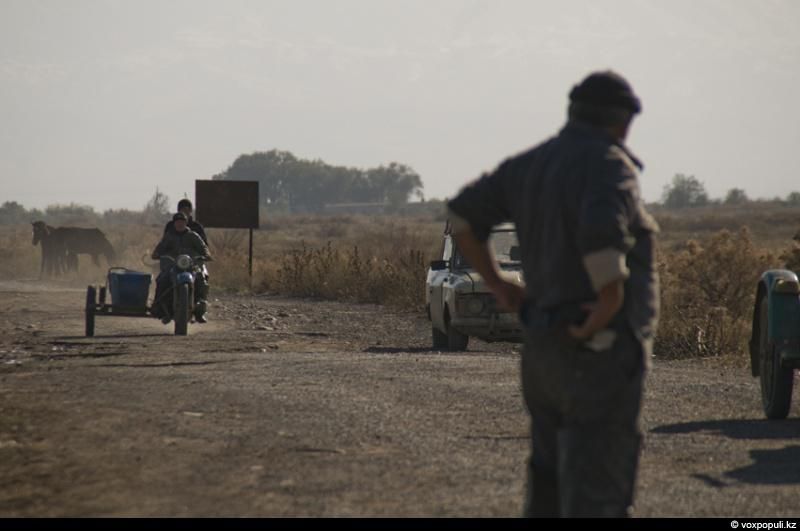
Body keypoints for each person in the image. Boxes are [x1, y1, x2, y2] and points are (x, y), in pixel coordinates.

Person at [446, 71, 659, 518]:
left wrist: (500, 284)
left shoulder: (533, 163)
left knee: (548, 484)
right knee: (598, 494)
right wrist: (607, 304)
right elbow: (601, 236)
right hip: (596, 351)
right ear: (623, 122)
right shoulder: (608, 165)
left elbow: (463, 217)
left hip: (543, 350)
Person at [151, 212, 212, 324]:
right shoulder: (169, 236)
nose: (180, 224)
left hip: (191, 266)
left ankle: (200, 310)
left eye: (182, 222)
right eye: (177, 222)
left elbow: (203, 248)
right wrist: (156, 254)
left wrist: (206, 255)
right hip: (172, 266)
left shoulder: (193, 236)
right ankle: (160, 309)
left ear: (186, 223)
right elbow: (160, 248)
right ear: (174, 223)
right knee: (162, 279)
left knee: (201, 280)